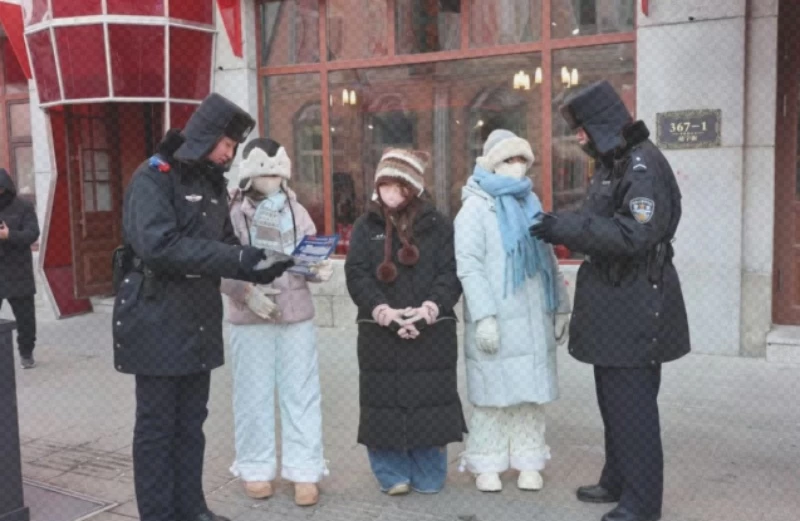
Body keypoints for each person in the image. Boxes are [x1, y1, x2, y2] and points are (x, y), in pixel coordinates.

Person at [112, 93, 295, 521]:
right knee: (158, 428)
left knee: (191, 423)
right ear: (206, 136)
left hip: (196, 319)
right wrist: (237, 258)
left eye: (234, 146)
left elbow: (226, 246)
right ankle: (159, 514)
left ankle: (192, 509)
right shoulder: (154, 177)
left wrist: (260, 264)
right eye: (227, 145)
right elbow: (159, 246)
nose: (230, 154)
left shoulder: (211, 184)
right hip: (155, 316)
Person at [530, 80, 690, 521]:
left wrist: (565, 228)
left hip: (637, 303)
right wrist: (566, 222)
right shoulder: (613, 163)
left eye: (582, 128)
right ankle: (617, 479)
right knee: (614, 401)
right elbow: (601, 219)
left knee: (633, 407)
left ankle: (641, 503)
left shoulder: (641, 165)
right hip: (616, 301)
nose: (579, 137)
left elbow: (635, 234)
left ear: (602, 124)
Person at [454, 129, 571, 493]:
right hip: (497, 317)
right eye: (508, 159)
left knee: (528, 398)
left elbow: (548, 259)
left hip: (533, 316)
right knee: (492, 398)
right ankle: (487, 462)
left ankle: (528, 460)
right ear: (492, 163)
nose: (517, 166)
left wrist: (560, 307)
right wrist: (484, 316)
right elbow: (469, 265)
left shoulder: (530, 203)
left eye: (522, 159)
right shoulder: (475, 207)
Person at [344, 148, 466, 496]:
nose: (389, 193)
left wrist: (429, 309)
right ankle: (391, 471)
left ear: (412, 187)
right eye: (383, 185)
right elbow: (356, 274)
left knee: (430, 397)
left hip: (432, 329)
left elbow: (450, 272)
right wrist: (381, 310)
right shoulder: (365, 226)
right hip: (379, 330)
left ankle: (429, 467)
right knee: (383, 400)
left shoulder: (438, 225)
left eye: (397, 186)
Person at [221, 138, 333, 506]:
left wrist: (317, 268)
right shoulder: (232, 212)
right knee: (252, 394)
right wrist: (243, 291)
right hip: (249, 316)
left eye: (276, 173)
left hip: (294, 313)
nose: (271, 179)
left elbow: (307, 252)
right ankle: (256, 467)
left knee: (301, 393)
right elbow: (218, 261)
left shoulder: (296, 210)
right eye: (264, 172)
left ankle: (305, 470)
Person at [0, 168, 40, 369]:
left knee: (25, 318)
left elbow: (33, 233)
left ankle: (26, 352)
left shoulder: (23, 206)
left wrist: (9, 235)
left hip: (18, 270)